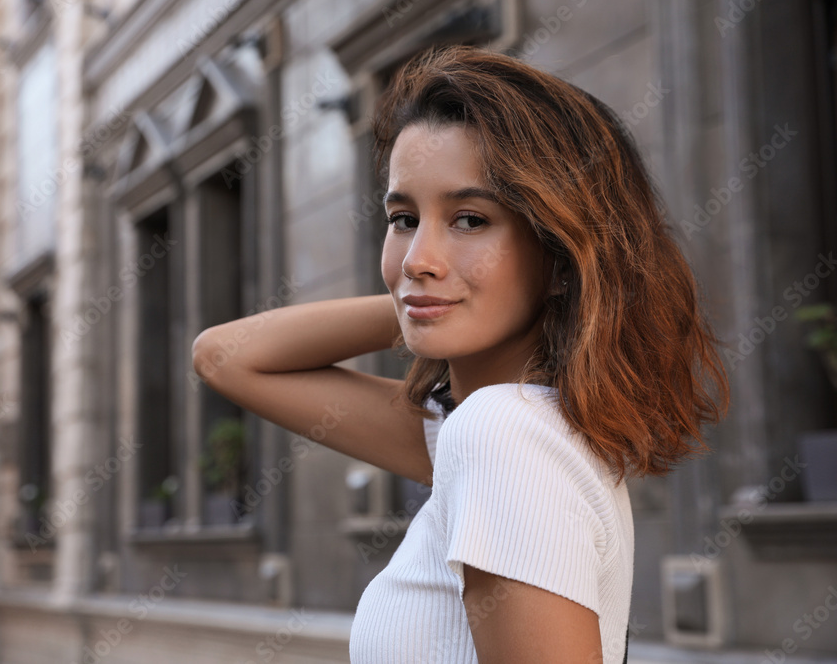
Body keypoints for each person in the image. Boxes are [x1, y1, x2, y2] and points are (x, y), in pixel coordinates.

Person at [192, 44, 729, 663]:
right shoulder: (512, 430)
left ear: (561, 256)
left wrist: (450, 296)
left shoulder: (501, 433)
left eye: (470, 219)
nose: (418, 255)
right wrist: (431, 298)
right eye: (403, 218)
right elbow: (224, 356)